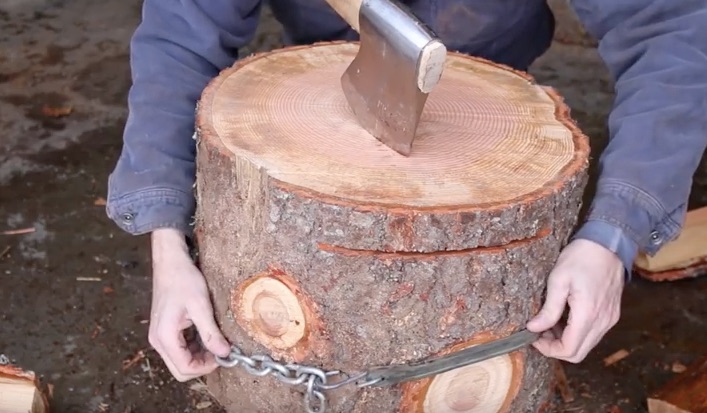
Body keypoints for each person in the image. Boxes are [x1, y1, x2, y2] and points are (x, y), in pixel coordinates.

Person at [106, 0, 707, 382]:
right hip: (335, 65)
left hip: (493, 79)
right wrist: (167, 238)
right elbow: (180, 37)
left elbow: (671, 28)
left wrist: (615, 232)